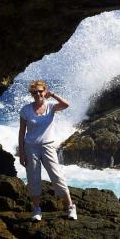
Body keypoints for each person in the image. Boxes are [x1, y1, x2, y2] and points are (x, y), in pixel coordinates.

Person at [18, 80, 77, 221]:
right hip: (30, 147)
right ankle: (37, 209)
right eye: (34, 92)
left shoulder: (51, 107)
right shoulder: (25, 110)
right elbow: (21, 133)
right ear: (31, 94)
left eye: (40, 91)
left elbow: (66, 105)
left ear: (45, 91)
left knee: (57, 177)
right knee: (33, 178)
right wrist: (21, 152)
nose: (37, 94)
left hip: (48, 147)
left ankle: (70, 207)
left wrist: (54, 95)